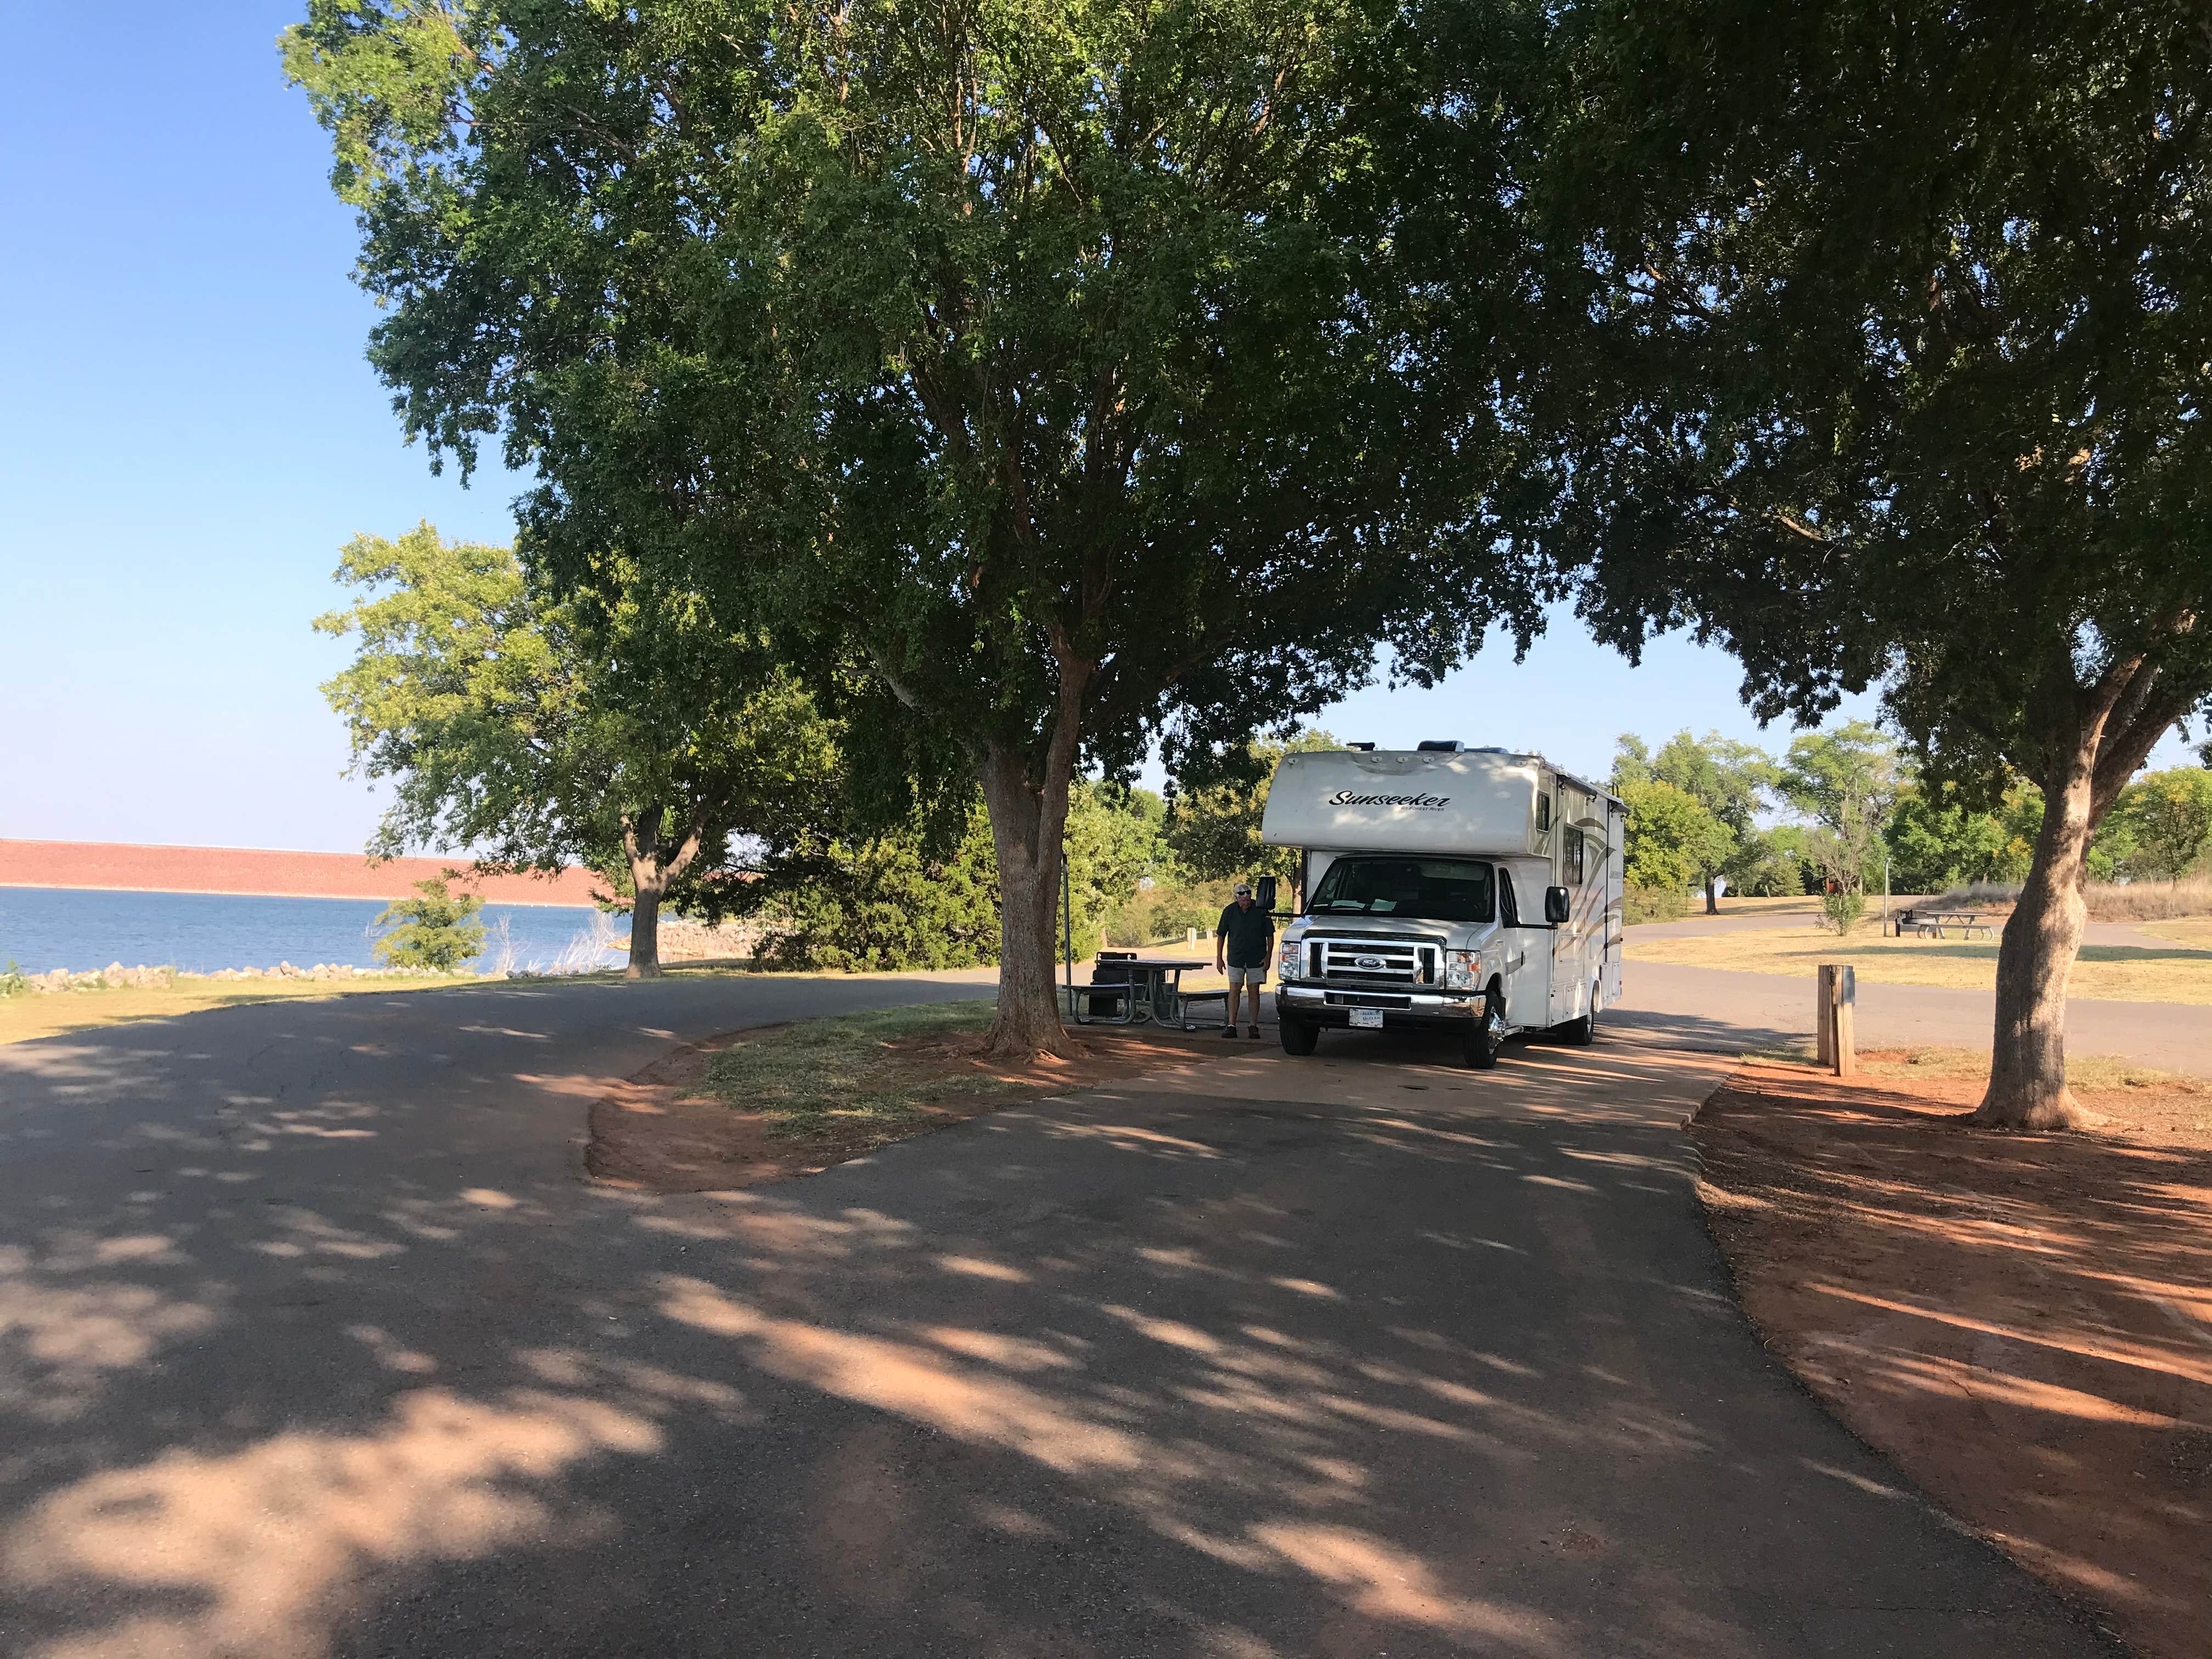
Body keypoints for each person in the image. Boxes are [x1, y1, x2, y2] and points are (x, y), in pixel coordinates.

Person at [1214, 881, 1274, 1039]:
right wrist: (1219, 958)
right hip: (1236, 956)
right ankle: (1231, 1025)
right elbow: (1221, 935)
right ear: (1236, 899)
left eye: (1248, 900)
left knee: (1254, 990)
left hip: (1256, 957)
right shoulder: (1229, 911)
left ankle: (1253, 1026)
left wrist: (1268, 957)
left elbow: (1270, 935)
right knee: (1234, 988)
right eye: (1242, 901)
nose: (1246, 903)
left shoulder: (1261, 910)